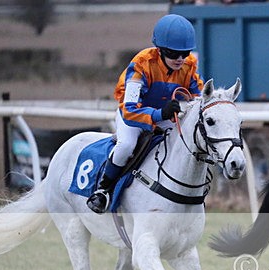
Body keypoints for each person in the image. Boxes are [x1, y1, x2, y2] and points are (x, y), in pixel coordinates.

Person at [86, 14, 204, 214]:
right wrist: (159, 114)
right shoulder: (142, 64)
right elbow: (130, 109)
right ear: (160, 50)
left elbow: (199, 97)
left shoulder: (189, 65)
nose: (180, 59)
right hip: (133, 116)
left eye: (184, 53)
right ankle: (103, 190)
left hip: (164, 117)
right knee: (126, 145)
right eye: (174, 53)